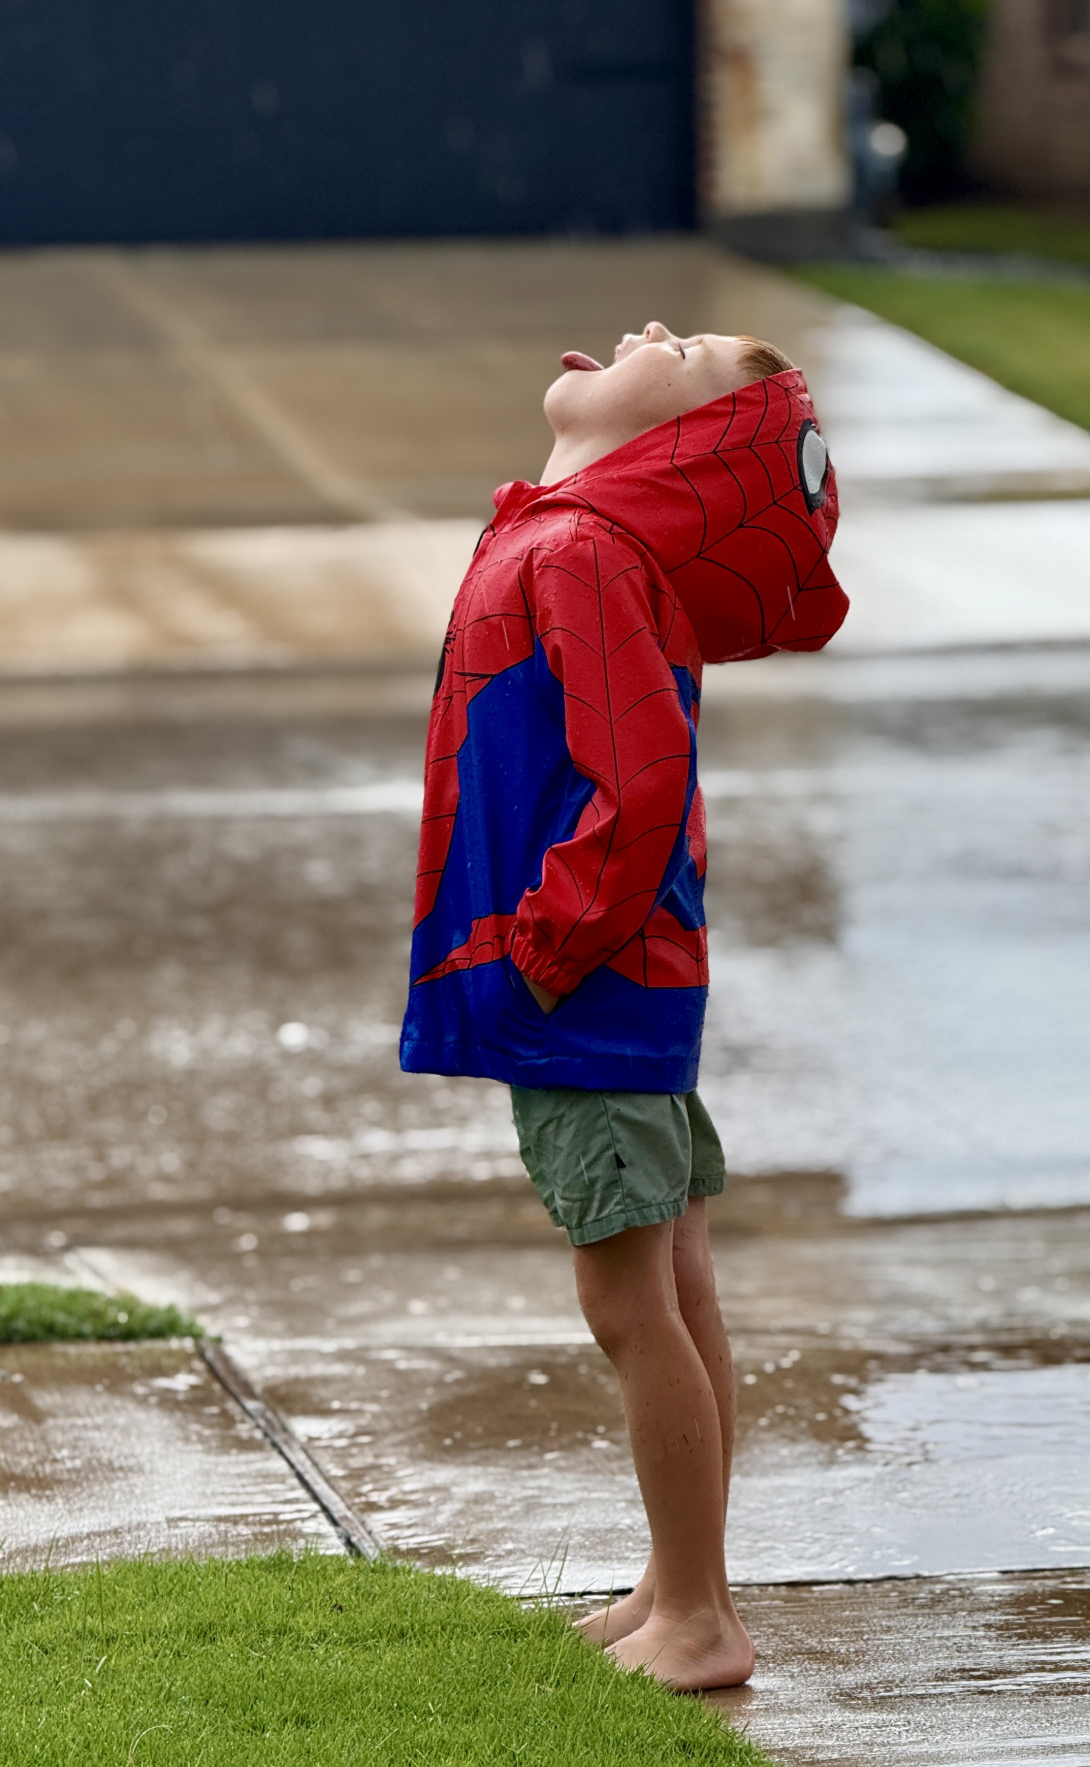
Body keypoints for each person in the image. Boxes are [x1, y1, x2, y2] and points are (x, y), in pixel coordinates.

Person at [399, 320, 848, 1690]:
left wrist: (546, 945)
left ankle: (700, 1618)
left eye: (686, 348)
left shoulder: (583, 553)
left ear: (687, 441)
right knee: (675, 1279)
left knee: (625, 1299)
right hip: (623, 977)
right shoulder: (574, 538)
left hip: (593, 981)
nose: (651, 329)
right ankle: (677, 1580)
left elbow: (641, 779)